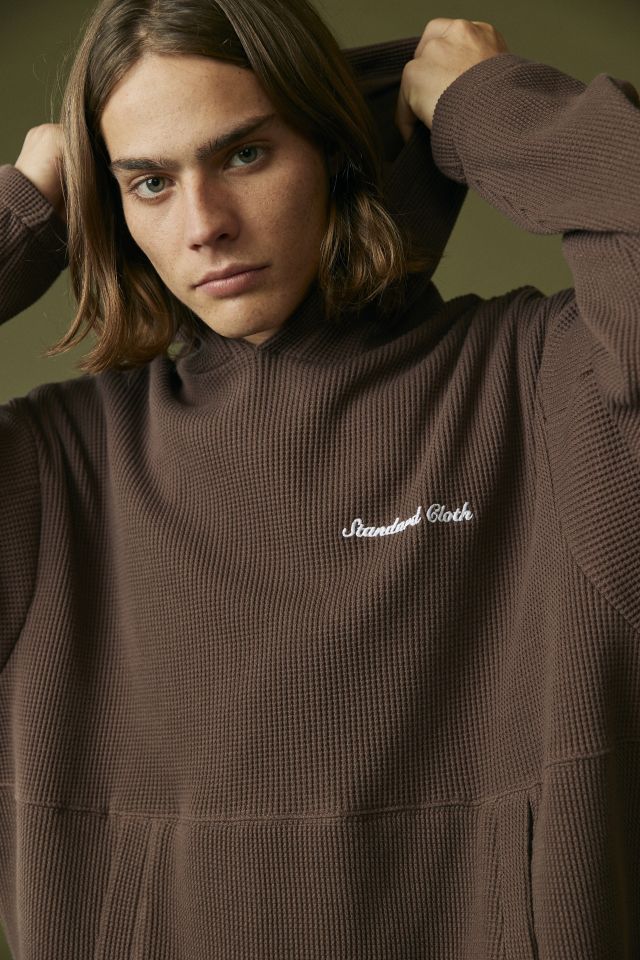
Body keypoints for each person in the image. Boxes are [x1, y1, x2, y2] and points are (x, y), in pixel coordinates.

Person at [1, 0, 639, 956]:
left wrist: (498, 110)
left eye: (245, 154)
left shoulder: (551, 391)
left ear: (335, 153)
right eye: (149, 182)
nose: (204, 225)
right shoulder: (55, 475)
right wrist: (22, 214)